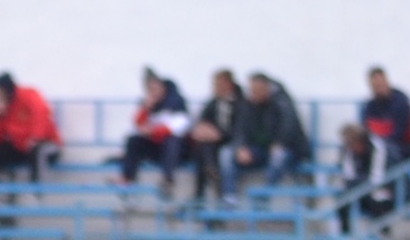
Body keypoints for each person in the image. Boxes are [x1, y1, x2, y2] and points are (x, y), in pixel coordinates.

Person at [118, 68, 190, 194]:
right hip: (156, 148)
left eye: (156, 88)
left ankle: (168, 180)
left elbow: (178, 126)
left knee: (172, 141)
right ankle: (127, 178)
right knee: (133, 141)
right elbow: (137, 127)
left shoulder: (176, 102)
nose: (154, 93)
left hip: (176, 151)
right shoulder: (148, 105)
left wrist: (153, 131)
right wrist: (145, 108)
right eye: (150, 90)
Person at [234, 73, 311, 190]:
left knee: (278, 156)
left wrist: (280, 143)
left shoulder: (282, 102)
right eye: (252, 90)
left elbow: (289, 125)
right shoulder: (248, 104)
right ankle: (229, 197)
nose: (253, 93)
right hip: (259, 149)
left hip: (289, 149)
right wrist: (241, 147)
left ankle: (264, 194)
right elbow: (240, 128)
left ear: (266, 88)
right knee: (227, 154)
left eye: (256, 90)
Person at [0, 72, 58, 182]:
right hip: (19, 146)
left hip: (44, 143)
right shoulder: (0, 106)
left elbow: (41, 114)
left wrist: (36, 137)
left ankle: (37, 191)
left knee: (38, 152)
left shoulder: (29, 95)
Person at [188, 69, 247, 202]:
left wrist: (219, 134)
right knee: (203, 146)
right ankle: (209, 176)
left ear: (229, 84)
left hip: (232, 144)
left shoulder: (242, 103)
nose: (215, 88)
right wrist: (201, 130)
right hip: (212, 145)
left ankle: (210, 192)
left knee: (222, 154)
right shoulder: (212, 103)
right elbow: (202, 121)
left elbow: (240, 131)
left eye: (219, 84)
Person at [362, 66, 410, 165]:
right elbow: (366, 128)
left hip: (401, 146)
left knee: (385, 151)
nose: (378, 88)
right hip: (377, 145)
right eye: (375, 86)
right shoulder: (370, 106)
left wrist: (381, 140)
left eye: (380, 84)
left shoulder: (401, 102)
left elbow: (401, 131)